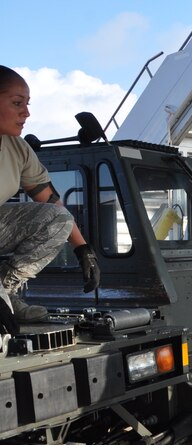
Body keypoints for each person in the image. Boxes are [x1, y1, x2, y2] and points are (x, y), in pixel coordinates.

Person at [0, 66, 99, 328]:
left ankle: (5, 290)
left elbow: (51, 202)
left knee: (57, 218)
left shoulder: (17, 148)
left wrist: (83, 249)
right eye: (17, 103)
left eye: (27, 104)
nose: (26, 113)